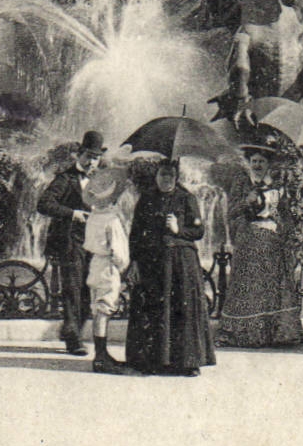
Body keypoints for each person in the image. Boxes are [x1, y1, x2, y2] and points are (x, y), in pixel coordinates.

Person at [125, 158, 216, 376]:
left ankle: (188, 362)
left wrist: (178, 229)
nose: (166, 179)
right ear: (156, 177)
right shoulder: (146, 199)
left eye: (170, 175)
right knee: (156, 309)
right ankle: (154, 361)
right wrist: (134, 261)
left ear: (176, 178)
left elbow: (199, 231)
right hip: (152, 263)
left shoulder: (186, 199)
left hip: (181, 263)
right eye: (162, 175)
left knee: (181, 310)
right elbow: (135, 234)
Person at [217, 132, 303, 349]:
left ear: (268, 164)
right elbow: (231, 212)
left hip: (272, 241)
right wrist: (246, 203)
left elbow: (285, 214)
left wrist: (289, 238)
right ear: (249, 163)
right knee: (248, 287)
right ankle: (244, 333)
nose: (257, 165)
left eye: (261, 162)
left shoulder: (278, 185)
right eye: (254, 161)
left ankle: (274, 333)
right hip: (249, 240)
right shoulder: (241, 183)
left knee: (273, 286)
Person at [37, 130, 107, 356]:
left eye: (96, 157)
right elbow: (44, 204)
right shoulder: (65, 178)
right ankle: (73, 338)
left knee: (89, 289)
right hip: (70, 242)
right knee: (73, 289)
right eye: (88, 156)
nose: (91, 161)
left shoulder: (101, 180)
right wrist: (72, 213)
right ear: (79, 154)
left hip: (94, 242)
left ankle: (71, 330)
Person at [81, 166, 137, 373]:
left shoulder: (94, 217)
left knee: (98, 309)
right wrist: (122, 270)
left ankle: (101, 353)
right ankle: (101, 356)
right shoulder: (112, 221)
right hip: (108, 266)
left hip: (95, 264)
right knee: (105, 308)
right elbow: (120, 253)